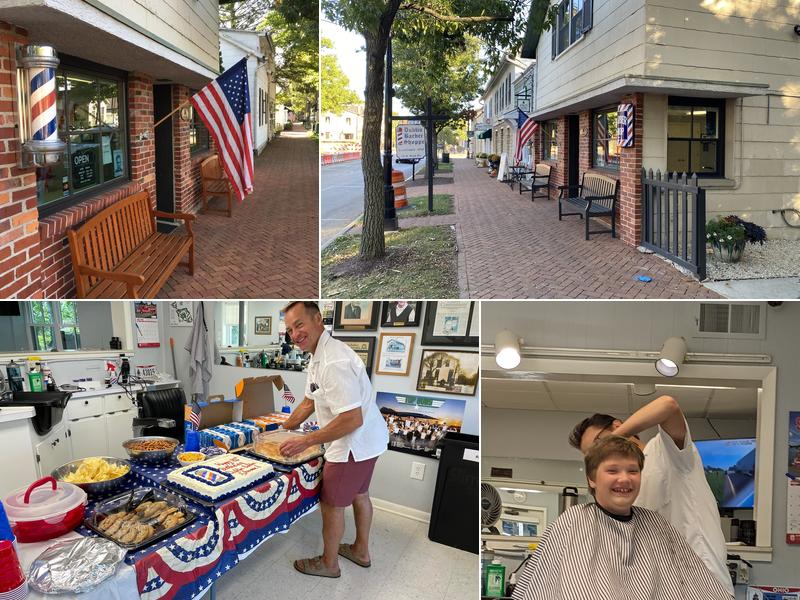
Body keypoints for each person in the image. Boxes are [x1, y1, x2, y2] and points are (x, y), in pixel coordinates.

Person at [511, 436, 733, 600]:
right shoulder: (572, 522)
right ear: (592, 479)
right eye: (613, 470)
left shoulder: (656, 525)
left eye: (632, 471)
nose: (625, 479)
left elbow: (696, 583)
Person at [568, 394, 734, 595]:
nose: (602, 453)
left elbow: (667, 406)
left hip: (703, 585)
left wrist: (613, 440)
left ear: (616, 426)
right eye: (593, 454)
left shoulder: (665, 451)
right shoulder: (621, 493)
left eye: (599, 443)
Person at [278, 301, 389, 578]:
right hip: (369, 440)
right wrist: (283, 428)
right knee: (360, 494)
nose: (295, 334)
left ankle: (329, 563)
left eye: (299, 324)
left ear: (318, 320)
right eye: (290, 329)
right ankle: (361, 550)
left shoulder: (333, 361)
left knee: (331, 504)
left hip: (353, 443)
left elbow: (352, 419)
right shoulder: (318, 356)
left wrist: (305, 441)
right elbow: (308, 401)